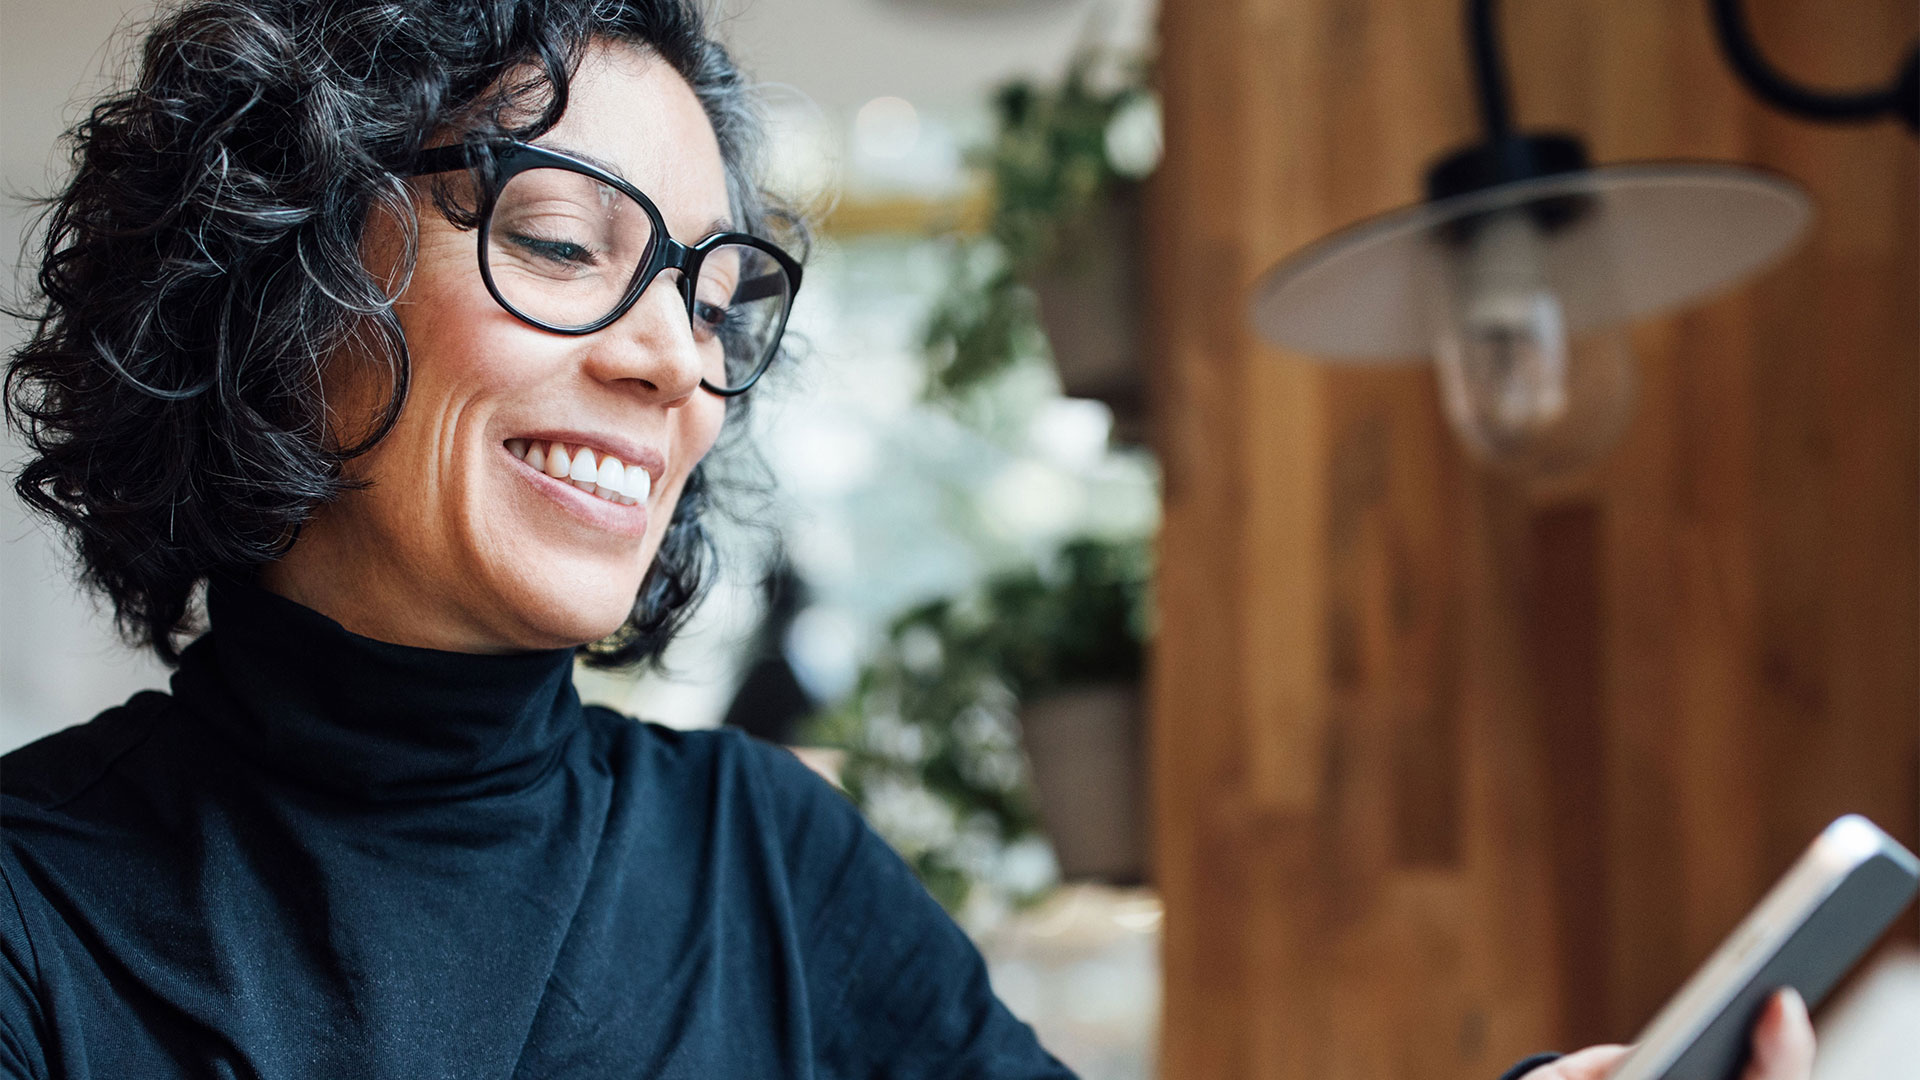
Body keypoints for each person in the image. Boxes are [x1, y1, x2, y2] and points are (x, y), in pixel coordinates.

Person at [0, 1, 1816, 1078]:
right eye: (563, 242)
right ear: (280, 272)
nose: (676, 364)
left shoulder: (772, 865)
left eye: (712, 294)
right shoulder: (35, 914)